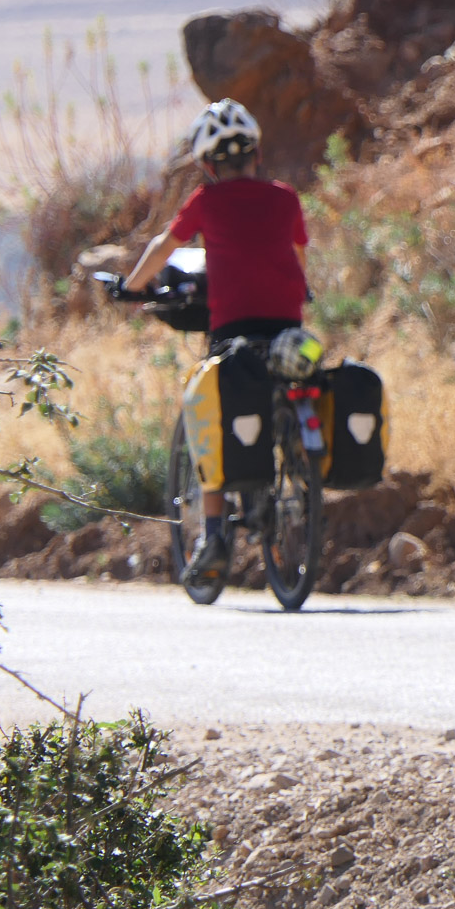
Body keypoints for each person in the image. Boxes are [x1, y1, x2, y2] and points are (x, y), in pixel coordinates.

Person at [122, 99, 310, 587]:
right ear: (258, 153)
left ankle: (213, 537)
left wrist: (133, 286)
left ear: (207, 164)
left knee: (205, 410)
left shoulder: (205, 201)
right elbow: (298, 259)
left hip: (233, 335)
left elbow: (165, 245)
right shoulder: (286, 197)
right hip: (288, 330)